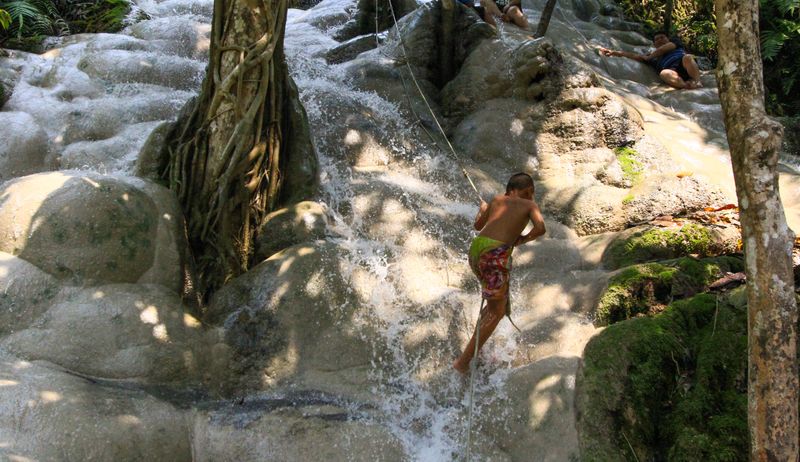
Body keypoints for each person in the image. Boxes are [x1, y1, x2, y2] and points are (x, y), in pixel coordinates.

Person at [453, 172, 546, 374]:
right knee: (498, 311)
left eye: (531, 194)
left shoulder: (496, 200)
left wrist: (483, 210)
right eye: (528, 193)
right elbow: (540, 228)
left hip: (476, 251)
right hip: (495, 255)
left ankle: (476, 343)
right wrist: (521, 240)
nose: (530, 197)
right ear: (519, 192)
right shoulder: (530, 206)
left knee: (494, 304)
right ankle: (463, 362)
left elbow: (478, 225)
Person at [599, 32, 703, 90]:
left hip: (683, 63)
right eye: (657, 39)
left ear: (668, 39)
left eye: (662, 37)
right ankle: (685, 85)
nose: (660, 40)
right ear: (654, 44)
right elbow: (634, 56)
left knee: (688, 57)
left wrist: (649, 57)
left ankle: (697, 81)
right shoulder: (653, 58)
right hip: (672, 72)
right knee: (663, 73)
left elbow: (664, 49)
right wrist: (614, 53)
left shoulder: (675, 43)